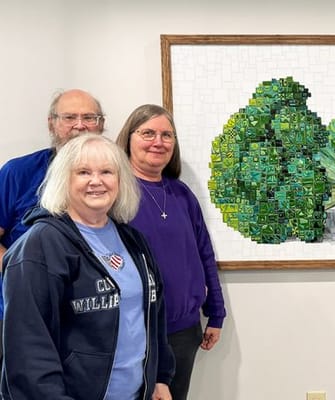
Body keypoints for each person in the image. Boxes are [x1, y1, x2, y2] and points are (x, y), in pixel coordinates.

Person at [1, 134, 174, 400]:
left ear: (120, 181)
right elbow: (27, 349)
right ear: (64, 180)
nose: (97, 181)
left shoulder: (133, 240)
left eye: (107, 171)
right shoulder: (41, 246)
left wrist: (160, 378)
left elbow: (153, 313)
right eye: (83, 172)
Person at [116, 104, 227, 400]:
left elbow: (204, 254)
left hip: (182, 331)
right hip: (132, 333)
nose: (158, 141)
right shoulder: (114, 194)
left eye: (167, 135)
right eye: (148, 133)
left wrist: (216, 313)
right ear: (128, 138)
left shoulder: (181, 195)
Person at [0, 88, 105, 355]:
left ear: (101, 124)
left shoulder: (112, 179)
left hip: (92, 320)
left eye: (89, 117)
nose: (79, 125)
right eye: (69, 117)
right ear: (52, 123)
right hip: (22, 314)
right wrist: (24, 272)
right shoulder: (18, 172)